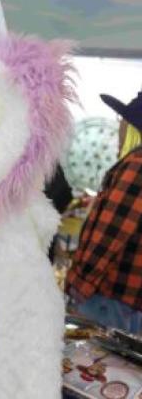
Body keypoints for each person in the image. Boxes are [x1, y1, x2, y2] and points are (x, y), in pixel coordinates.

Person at [66, 90, 142, 333]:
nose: (118, 129)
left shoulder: (137, 165)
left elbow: (111, 233)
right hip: (129, 301)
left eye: (123, 123)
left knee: (89, 366)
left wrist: (78, 284)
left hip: (110, 299)